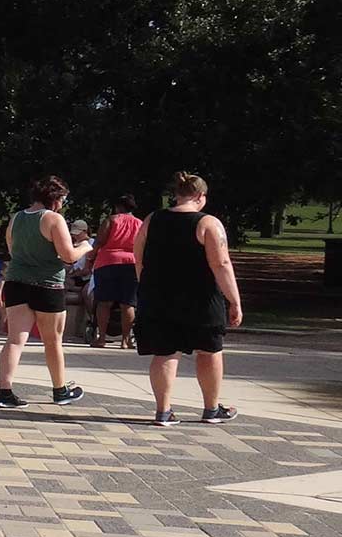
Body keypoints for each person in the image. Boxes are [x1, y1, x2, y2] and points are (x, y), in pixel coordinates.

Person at [133, 172, 242, 425]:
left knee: (164, 353)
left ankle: (163, 411)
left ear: (177, 194)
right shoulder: (208, 224)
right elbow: (221, 263)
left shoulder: (152, 219)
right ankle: (211, 408)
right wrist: (234, 300)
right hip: (201, 300)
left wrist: (145, 286)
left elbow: (138, 257)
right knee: (210, 351)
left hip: (158, 297)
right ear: (201, 196)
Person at [0, 176, 91, 409]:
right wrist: (85, 247)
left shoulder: (16, 219)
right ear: (55, 199)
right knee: (52, 341)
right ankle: (60, 390)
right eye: (63, 199)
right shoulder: (53, 219)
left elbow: (12, 249)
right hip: (48, 285)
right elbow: (68, 255)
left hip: (16, 282)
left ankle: (4, 392)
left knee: (15, 340)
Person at [90, 195, 143, 349]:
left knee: (104, 302)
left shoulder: (111, 220)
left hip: (108, 262)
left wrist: (90, 256)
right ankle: (125, 340)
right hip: (132, 263)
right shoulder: (140, 223)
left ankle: (101, 338)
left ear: (118, 206)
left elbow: (99, 241)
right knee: (128, 303)